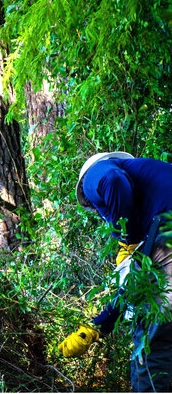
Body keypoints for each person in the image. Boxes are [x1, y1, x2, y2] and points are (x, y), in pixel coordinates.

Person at [58, 152, 172, 392]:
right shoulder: (153, 183)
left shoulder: (97, 172)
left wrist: (128, 240)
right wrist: (96, 327)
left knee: (152, 344)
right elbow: (134, 288)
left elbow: (112, 180)